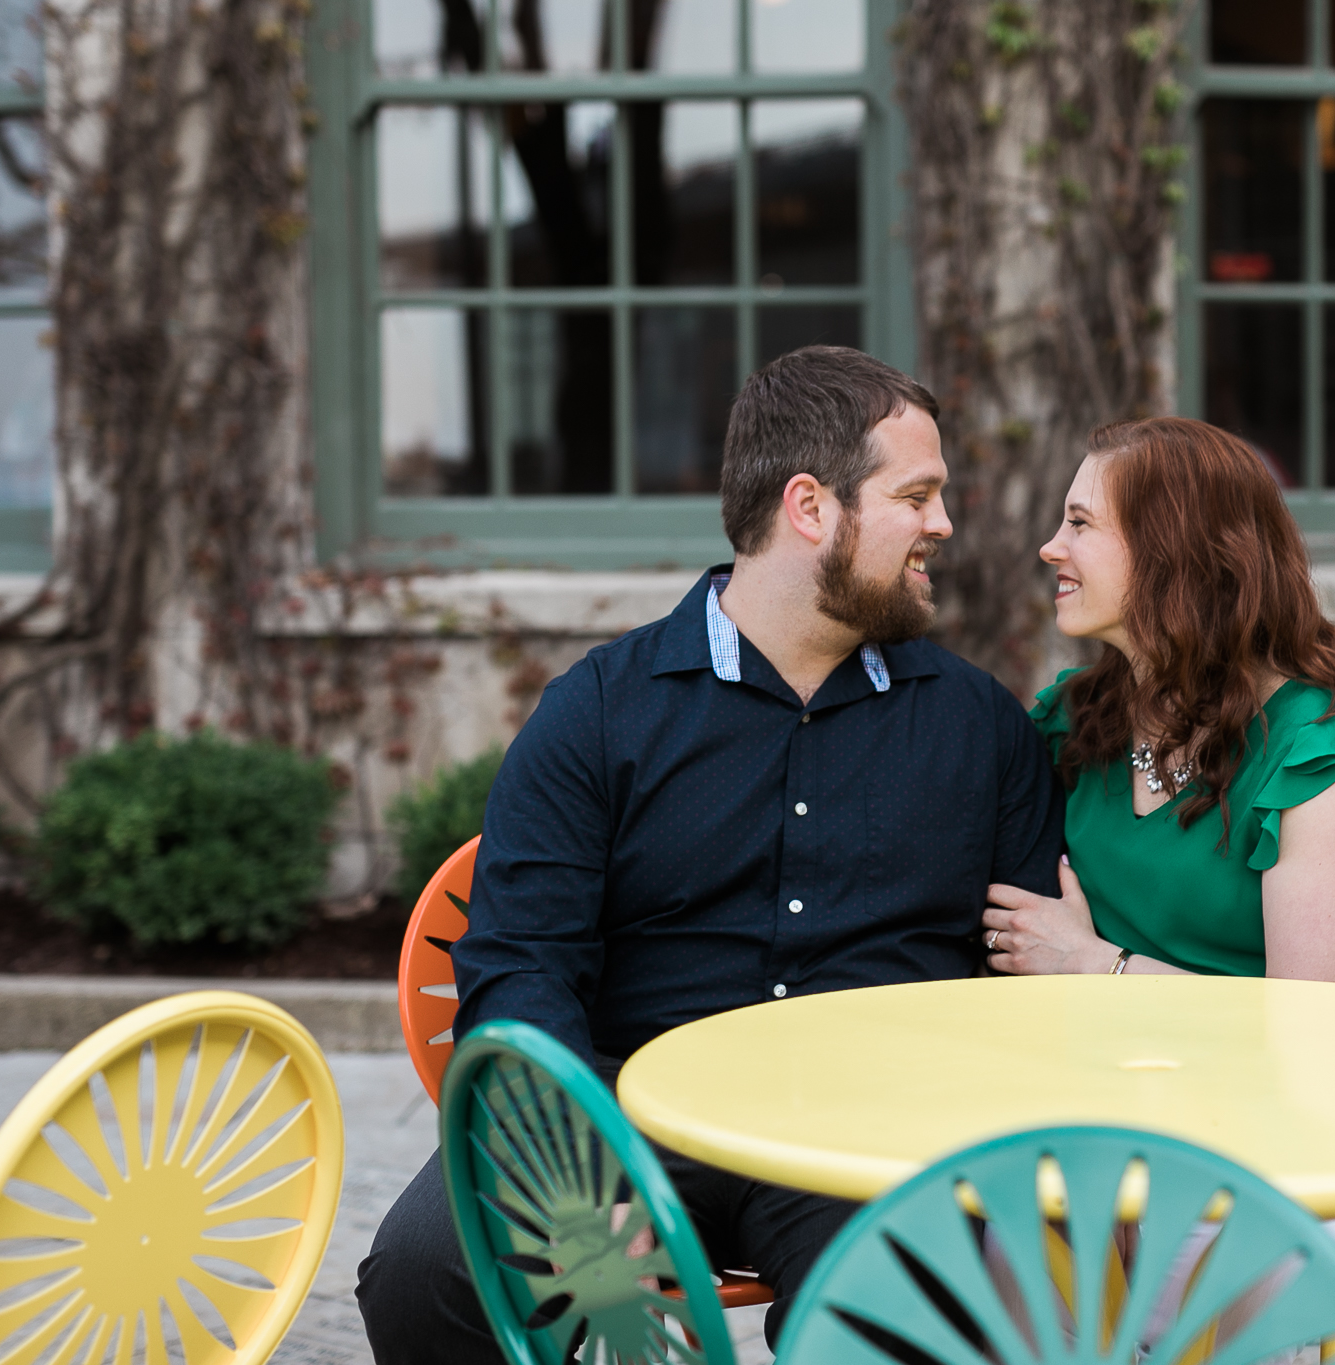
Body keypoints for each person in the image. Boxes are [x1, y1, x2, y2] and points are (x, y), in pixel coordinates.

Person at [356, 346, 1065, 1363]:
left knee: (907, 1313)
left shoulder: (976, 726)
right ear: (810, 508)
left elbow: (1014, 983)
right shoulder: (598, 712)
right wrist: (575, 1168)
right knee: (428, 1271)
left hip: (861, 1144)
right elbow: (517, 968)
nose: (942, 526)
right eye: (917, 496)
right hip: (625, 1119)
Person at [980, 415, 1335, 1290]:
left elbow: (1310, 1033)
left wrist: (1097, 965)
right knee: (995, 1257)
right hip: (1130, 1122)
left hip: (1330, 1145)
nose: (1049, 547)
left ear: (1175, 553)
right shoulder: (1079, 723)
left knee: (1220, 1276)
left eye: (1080, 523)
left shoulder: (1317, 747)